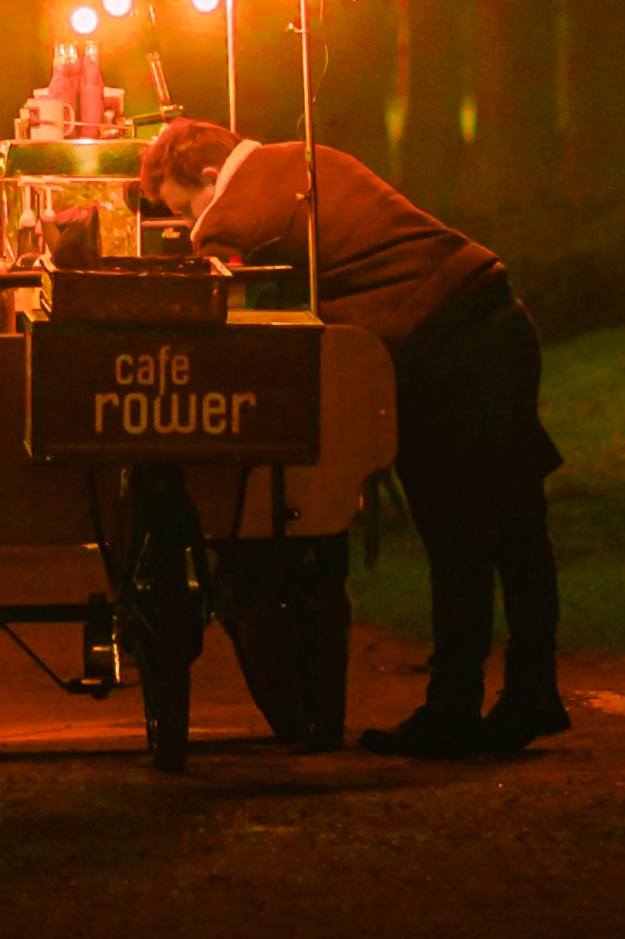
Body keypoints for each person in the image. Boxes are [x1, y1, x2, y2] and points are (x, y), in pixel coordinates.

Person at [135, 112, 566, 758]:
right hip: (496, 318)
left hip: (441, 345)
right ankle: (532, 690)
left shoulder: (245, 196)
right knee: (516, 526)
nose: (187, 218)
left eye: (183, 203)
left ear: (205, 172)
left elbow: (208, 251)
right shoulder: (310, 157)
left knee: (458, 536)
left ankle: (454, 706)